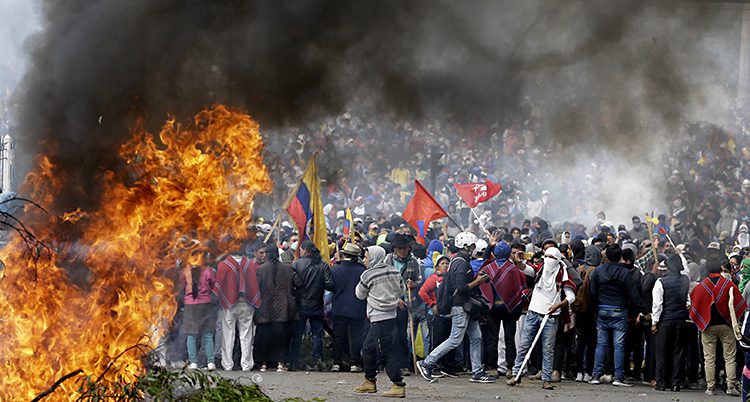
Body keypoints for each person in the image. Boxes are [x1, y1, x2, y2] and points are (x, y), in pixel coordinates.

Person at [417, 231, 496, 384]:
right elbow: (460, 288)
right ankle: (427, 363)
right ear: (468, 246)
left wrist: (490, 248)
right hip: (460, 306)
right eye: (473, 246)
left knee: (476, 337)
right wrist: (478, 281)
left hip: (467, 306)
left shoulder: (460, 259)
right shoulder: (461, 263)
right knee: (455, 339)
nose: (475, 249)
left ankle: (477, 372)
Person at [507, 247, 576, 390]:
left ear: (557, 260)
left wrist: (558, 305)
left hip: (551, 316)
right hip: (533, 312)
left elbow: (571, 296)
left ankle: (546, 379)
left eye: (551, 257)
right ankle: (516, 374)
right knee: (524, 344)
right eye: (546, 256)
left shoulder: (563, 276)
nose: (547, 260)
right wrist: (519, 262)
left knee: (548, 348)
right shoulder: (539, 270)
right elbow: (525, 269)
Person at [587, 244, 647, 387]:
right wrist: (644, 310)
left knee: (601, 344)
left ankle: (596, 375)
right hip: (620, 311)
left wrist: (595, 310)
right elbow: (634, 295)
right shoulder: (625, 273)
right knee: (619, 345)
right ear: (620, 257)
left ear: (606, 255)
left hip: (602, 309)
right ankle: (618, 377)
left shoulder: (597, 272)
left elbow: (592, 294)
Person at [354, 246, 407, 398]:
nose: (364, 260)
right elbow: (401, 291)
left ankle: (397, 384)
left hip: (379, 317)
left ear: (373, 257)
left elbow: (359, 294)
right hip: (391, 316)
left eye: (365, 257)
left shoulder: (368, 274)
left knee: (383, 351)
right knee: (370, 348)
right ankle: (370, 381)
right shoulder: (394, 271)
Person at [689, 255, 746, 396]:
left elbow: (694, 303)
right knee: (730, 357)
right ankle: (730, 386)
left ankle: (710, 387)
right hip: (726, 326)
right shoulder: (728, 284)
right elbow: (740, 303)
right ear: (721, 268)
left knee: (709, 358)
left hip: (708, 326)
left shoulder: (701, 286)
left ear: (707, 268)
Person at [213, 244, 262, 371]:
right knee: (246, 335)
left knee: (228, 335)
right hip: (246, 303)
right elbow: (254, 284)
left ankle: (227, 364)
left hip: (229, 304)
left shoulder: (223, 265)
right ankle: (246, 365)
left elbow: (218, 285)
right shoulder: (250, 264)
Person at [288, 240, 334, 371]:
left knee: (297, 335)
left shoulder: (296, 264)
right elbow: (330, 284)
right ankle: (317, 361)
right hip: (317, 304)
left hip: (300, 305)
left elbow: (292, 284)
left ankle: (294, 362)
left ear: (305, 250)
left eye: (301, 250)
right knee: (317, 335)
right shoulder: (322, 265)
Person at [255, 244, 298, 372]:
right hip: (283, 308)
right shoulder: (288, 269)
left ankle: (263, 364)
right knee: (282, 337)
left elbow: (257, 288)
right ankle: (281, 363)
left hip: (265, 308)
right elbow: (298, 283)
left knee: (264, 337)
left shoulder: (261, 270)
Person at [651, 254, 690, 392]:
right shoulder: (685, 280)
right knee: (678, 353)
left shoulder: (661, 282)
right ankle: (675, 383)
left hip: (665, 321)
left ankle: (661, 382)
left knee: (662, 352)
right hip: (680, 320)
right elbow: (687, 300)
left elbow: (658, 305)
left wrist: (654, 322)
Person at [385, 234, 422, 376]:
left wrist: (414, 284)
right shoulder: (388, 260)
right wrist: (395, 299)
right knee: (391, 335)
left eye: (405, 248)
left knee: (402, 335)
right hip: (389, 302)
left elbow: (419, 279)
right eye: (399, 249)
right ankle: (389, 364)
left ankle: (403, 364)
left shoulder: (413, 262)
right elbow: (384, 281)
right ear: (394, 249)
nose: (402, 251)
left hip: (406, 303)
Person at [330, 243, 367, 372]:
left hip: (339, 307)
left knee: (338, 336)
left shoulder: (335, 269)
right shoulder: (362, 271)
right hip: (357, 308)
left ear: (344, 254)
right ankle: (354, 363)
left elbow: (330, 287)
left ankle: (337, 362)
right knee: (356, 336)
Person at [182, 248, 217, 370]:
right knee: (207, 334)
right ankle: (210, 362)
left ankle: (193, 362)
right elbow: (213, 285)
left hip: (190, 304)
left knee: (191, 335)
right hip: (205, 304)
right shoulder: (208, 270)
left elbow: (182, 285)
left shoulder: (186, 271)